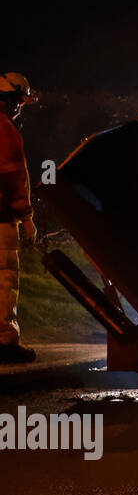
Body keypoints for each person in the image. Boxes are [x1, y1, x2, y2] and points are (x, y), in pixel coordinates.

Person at [0, 73, 37, 363]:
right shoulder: (5, 130)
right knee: (4, 280)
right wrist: (26, 218)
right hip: (1, 220)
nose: (20, 109)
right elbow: (14, 179)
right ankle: (4, 342)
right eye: (19, 103)